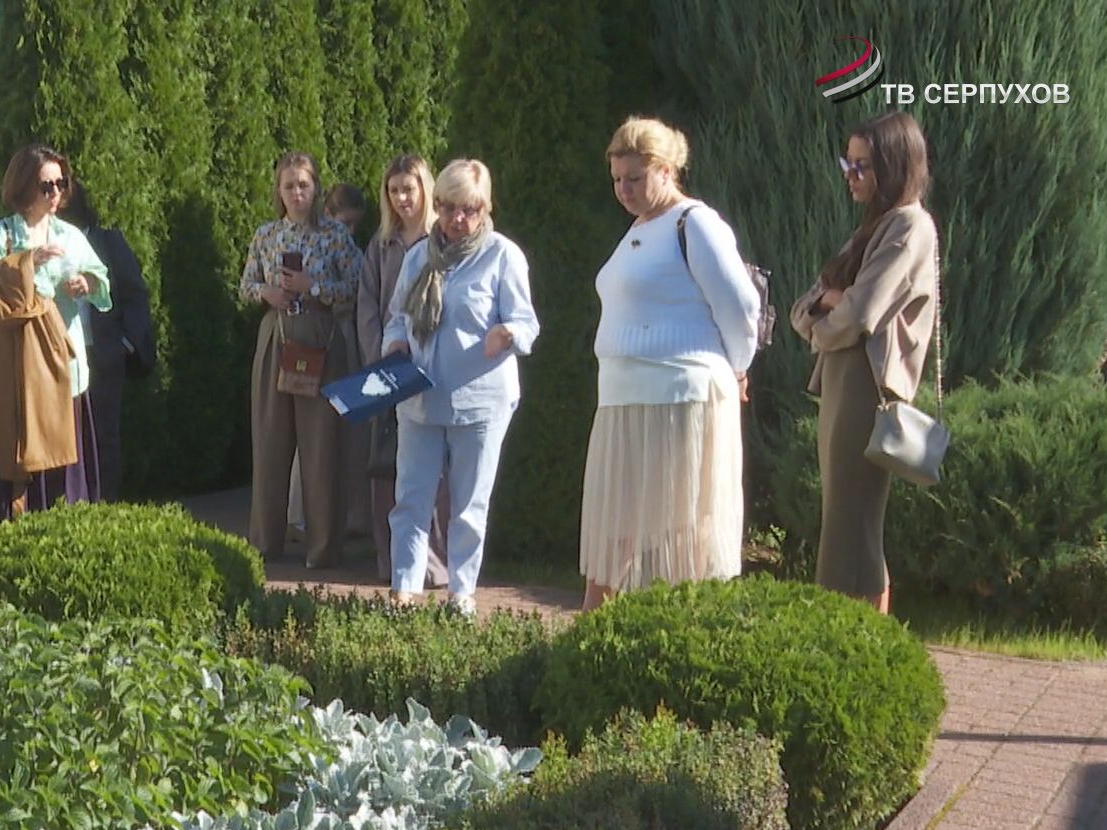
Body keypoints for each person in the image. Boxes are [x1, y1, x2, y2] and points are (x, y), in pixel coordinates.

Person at [580, 117, 760, 611]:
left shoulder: (694, 221)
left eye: (634, 178)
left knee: (681, 533)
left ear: (665, 170)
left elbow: (742, 307)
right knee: (613, 529)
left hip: (680, 395)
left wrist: (738, 367)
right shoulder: (639, 228)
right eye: (617, 179)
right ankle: (591, 650)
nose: (623, 190)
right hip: (623, 396)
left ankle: (680, 640)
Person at [790, 110, 938, 614]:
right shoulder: (872, 227)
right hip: (841, 373)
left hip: (866, 383)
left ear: (894, 165)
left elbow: (861, 310)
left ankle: (852, 637)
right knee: (841, 514)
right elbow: (804, 306)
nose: (850, 176)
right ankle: (852, 634)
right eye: (846, 164)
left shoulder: (910, 226)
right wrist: (829, 305)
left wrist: (831, 305)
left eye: (862, 166)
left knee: (852, 522)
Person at [380, 159, 539, 613]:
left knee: (469, 505)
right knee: (410, 499)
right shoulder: (418, 257)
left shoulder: (502, 256)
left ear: (485, 207)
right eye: (448, 208)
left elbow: (527, 322)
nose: (457, 220)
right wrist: (394, 345)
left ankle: (461, 595)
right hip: (419, 399)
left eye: (468, 209)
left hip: (479, 400)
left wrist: (506, 334)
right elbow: (397, 316)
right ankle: (404, 590)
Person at [0, 145, 111, 524]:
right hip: (18, 376)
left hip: (66, 369)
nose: (54, 194)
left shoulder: (72, 236)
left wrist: (88, 282)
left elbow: (103, 283)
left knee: (66, 467)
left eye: (60, 184)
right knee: (19, 465)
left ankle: (66, 541)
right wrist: (27, 263)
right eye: (45, 185)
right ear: (22, 186)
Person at [240, 151, 362, 568]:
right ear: (279, 190)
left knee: (321, 446)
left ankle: (323, 548)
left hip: (320, 341)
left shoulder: (334, 236)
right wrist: (265, 293)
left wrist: (314, 285)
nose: (296, 193)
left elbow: (354, 287)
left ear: (315, 188)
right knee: (270, 441)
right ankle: (264, 543)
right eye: (289, 185)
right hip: (277, 337)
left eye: (303, 185)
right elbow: (245, 283)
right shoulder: (266, 235)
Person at [357, 154, 449, 585]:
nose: (401, 199)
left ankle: (436, 563)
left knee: (434, 468)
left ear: (425, 189)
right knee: (384, 465)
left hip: (432, 366)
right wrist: (378, 355)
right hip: (388, 366)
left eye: (408, 189)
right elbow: (370, 304)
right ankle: (390, 561)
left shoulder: (442, 238)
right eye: (394, 191)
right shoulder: (381, 243)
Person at [61, 179, 155, 502]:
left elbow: (134, 294)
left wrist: (125, 344)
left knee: (104, 439)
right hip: (61, 354)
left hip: (103, 355)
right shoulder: (45, 246)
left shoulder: (107, 241)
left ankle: (105, 506)